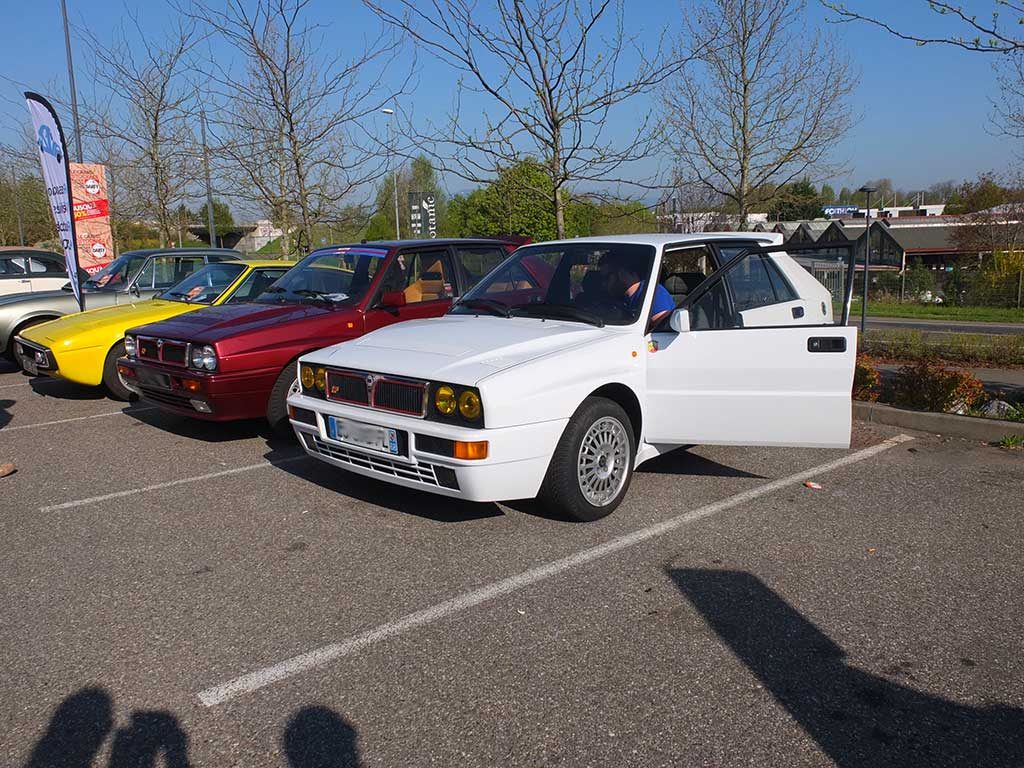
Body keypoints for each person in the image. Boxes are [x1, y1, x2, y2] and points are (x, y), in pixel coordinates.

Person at [604, 254, 675, 325]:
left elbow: (663, 326)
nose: (603, 283)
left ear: (622, 275)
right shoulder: (623, 298)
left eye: (606, 277)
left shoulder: (653, 293)